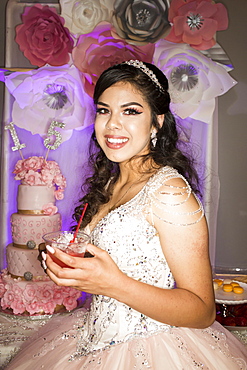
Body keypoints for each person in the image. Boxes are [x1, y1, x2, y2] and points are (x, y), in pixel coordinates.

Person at [6, 61, 247, 369]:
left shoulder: (169, 192)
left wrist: (112, 283)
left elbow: (202, 311)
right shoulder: (111, 180)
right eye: (104, 110)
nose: (112, 125)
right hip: (90, 336)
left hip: (151, 349)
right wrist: (66, 260)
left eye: (130, 111)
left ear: (157, 122)